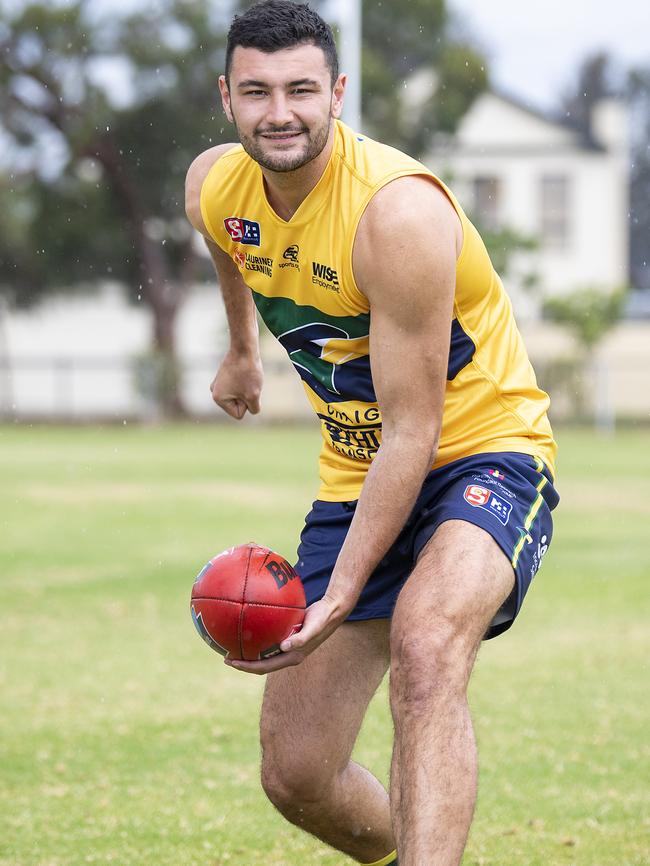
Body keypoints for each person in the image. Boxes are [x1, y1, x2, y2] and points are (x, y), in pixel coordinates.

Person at [185, 2, 559, 864]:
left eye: (302, 90)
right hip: (358, 470)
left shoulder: (395, 215)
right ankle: (418, 843)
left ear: (338, 94)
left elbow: (414, 431)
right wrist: (242, 350)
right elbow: (226, 239)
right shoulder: (215, 184)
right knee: (300, 775)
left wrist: (346, 591)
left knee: (427, 647)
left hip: (482, 451)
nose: (280, 111)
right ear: (227, 97)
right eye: (258, 91)